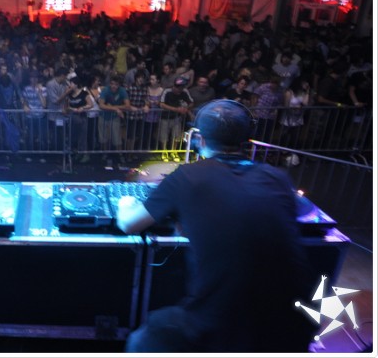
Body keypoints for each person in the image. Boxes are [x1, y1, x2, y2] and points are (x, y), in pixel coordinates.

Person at [116, 99, 316, 353]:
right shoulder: (277, 178)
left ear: (199, 139)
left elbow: (129, 224)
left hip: (221, 325)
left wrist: (125, 202)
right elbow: (296, 212)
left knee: (142, 340)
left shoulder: (187, 176)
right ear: (247, 141)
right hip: (297, 325)